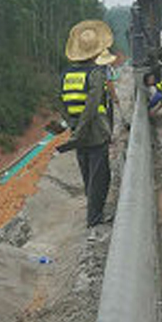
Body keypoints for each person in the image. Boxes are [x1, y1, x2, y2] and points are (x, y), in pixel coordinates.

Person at [59, 20, 113, 231]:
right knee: (100, 176)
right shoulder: (95, 74)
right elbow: (92, 106)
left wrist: (73, 128)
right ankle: (94, 219)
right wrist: (81, 129)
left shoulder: (66, 75)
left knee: (88, 174)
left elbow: (63, 102)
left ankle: (94, 213)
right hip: (94, 133)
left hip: (78, 136)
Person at [95, 48, 120, 132]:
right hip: (105, 97)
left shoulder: (94, 69)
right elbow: (110, 83)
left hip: (95, 96)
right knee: (108, 116)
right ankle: (108, 134)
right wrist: (115, 97)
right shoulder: (106, 69)